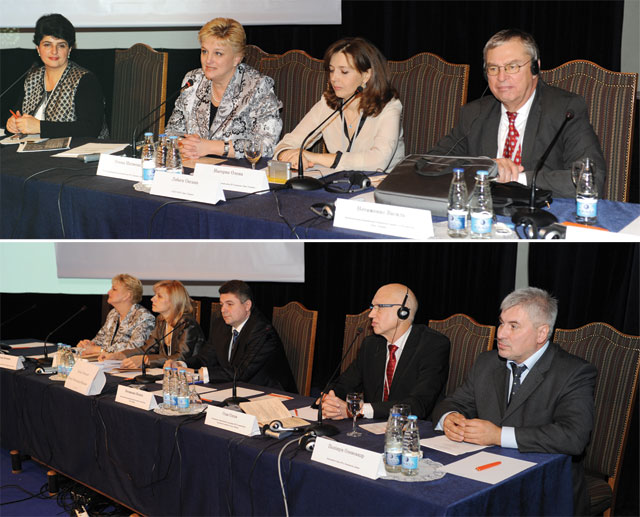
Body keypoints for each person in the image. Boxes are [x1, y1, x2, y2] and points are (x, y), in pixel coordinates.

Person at [431, 287, 596, 515]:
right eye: (501, 323)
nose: (500, 334)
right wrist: (449, 418)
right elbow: (453, 402)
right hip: (485, 476)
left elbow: (574, 436)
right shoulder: (487, 362)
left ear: (541, 333)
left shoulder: (573, 372)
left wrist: (498, 435)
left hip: (544, 489)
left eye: (513, 326)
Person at [428, 29, 605, 199]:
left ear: (535, 68)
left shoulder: (565, 110)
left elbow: (591, 179)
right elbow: (430, 164)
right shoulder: (474, 114)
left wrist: (517, 178)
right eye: (493, 68)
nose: (501, 77)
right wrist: (486, 168)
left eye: (512, 67)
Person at [274, 37, 405, 172]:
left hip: (384, 183)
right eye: (331, 70)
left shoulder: (389, 107)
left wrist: (313, 157)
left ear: (366, 75)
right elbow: (287, 144)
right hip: (339, 182)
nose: (334, 78)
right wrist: (288, 155)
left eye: (344, 72)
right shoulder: (328, 104)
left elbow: (378, 161)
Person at [322, 283, 450, 420]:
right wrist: (329, 399)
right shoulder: (370, 344)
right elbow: (345, 384)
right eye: (372, 307)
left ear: (402, 312)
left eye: (379, 307)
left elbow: (418, 405)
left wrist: (359, 409)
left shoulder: (433, 345)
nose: (371, 314)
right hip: (372, 426)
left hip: (414, 428)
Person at [165, 17, 282, 161]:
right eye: (204, 51)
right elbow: (172, 132)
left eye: (218, 53)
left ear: (237, 58)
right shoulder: (193, 80)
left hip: (236, 169)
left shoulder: (258, 86)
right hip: (195, 165)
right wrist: (185, 145)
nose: (208, 60)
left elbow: (267, 145)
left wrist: (210, 147)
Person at [166, 280, 297, 392]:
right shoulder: (220, 325)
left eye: (230, 304)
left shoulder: (262, 331)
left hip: (269, 394)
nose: (223, 310)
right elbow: (205, 358)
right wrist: (181, 364)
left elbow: (241, 372)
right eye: (221, 304)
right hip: (234, 390)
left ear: (247, 305)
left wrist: (199, 374)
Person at [6, 14, 107, 138]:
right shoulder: (32, 78)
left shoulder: (85, 80)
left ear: (69, 49)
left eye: (61, 45)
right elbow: (17, 113)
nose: (54, 51)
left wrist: (40, 127)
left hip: (77, 148)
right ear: (38, 49)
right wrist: (12, 123)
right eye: (47, 44)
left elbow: (90, 129)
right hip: (33, 147)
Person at [99, 280, 205, 368]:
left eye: (159, 296)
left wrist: (146, 359)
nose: (152, 299)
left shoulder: (187, 323)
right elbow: (146, 349)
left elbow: (181, 358)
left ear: (173, 301)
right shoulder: (161, 321)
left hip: (191, 376)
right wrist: (118, 355)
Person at [77, 274, 155, 356]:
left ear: (127, 295)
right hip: (108, 361)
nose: (108, 292)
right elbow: (100, 340)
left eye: (114, 289)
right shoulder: (113, 314)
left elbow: (135, 349)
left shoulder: (144, 317)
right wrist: (88, 344)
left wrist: (96, 349)